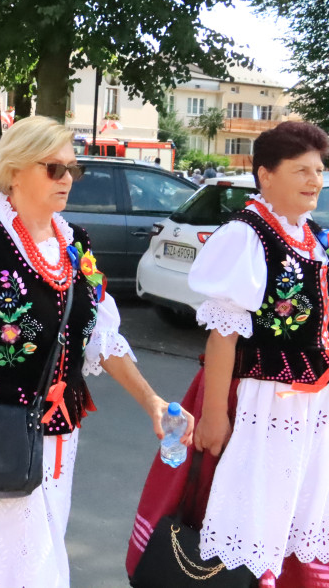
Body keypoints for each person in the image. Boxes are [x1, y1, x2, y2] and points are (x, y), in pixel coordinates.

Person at [0, 116, 191, 587]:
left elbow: (101, 337)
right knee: (3, 567)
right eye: (54, 168)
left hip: (57, 437)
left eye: (72, 170)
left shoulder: (74, 242)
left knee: (36, 556)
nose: (67, 179)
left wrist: (152, 400)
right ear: (16, 170)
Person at [128, 121, 329, 585]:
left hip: (305, 406)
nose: (314, 180)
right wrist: (215, 414)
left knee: (289, 511)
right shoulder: (246, 235)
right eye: (301, 170)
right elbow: (224, 335)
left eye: (318, 170)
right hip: (258, 401)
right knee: (247, 511)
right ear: (266, 175)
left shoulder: (307, 234)